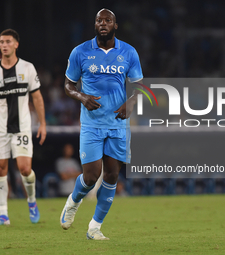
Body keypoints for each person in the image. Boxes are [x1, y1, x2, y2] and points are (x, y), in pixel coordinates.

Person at [60, 9, 143, 240]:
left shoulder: (129, 52)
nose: (103, 23)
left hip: (117, 124)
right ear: (95, 25)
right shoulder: (80, 52)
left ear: (115, 25)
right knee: (91, 176)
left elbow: (138, 86)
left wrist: (131, 101)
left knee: (112, 176)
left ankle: (94, 227)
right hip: (92, 124)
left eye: (108, 20)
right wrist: (82, 97)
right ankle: (74, 201)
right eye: (99, 20)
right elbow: (68, 85)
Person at [0, 29, 46, 225]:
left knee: (25, 169)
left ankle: (32, 201)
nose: (4, 45)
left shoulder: (27, 68)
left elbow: (37, 97)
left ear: (16, 44)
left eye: (8, 41)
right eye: (1, 42)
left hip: (22, 127)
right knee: (0, 169)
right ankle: (3, 215)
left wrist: (42, 123)